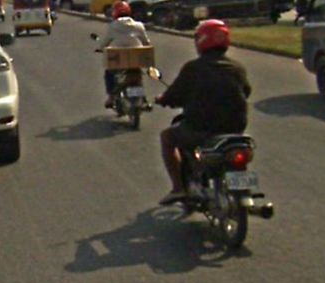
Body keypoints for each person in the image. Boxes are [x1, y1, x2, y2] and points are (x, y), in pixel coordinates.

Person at [155, 19, 251, 205]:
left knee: (167, 137)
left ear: (202, 40)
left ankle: (178, 188)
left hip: (201, 129)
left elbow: (174, 94)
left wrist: (163, 99)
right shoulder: (237, 68)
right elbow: (246, 91)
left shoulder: (193, 68)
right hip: (235, 130)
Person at [98, 0, 151, 108]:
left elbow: (105, 42)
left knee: (109, 73)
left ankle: (111, 97)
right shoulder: (139, 25)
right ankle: (144, 99)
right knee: (138, 74)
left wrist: (100, 48)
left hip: (119, 58)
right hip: (136, 58)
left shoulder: (113, 26)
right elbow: (146, 42)